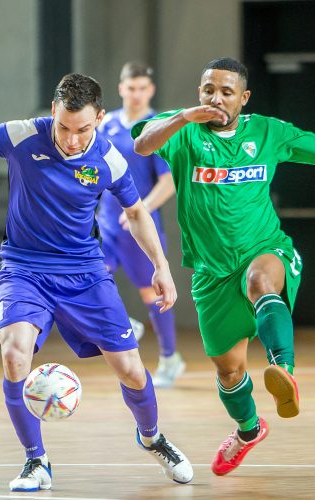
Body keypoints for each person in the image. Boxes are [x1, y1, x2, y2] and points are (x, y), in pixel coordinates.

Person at [0, 73, 194, 491]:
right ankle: (36, 461)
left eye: (83, 130)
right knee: (14, 355)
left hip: (84, 273)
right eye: (63, 127)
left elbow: (135, 213)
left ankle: (152, 437)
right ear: (53, 112)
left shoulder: (110, 158)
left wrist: (161, 266)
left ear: (99, 118)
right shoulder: (21, 135)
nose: (72, 140)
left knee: (132, 370)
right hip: (24, 268)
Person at [131, 57, 315, 475]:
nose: (215, 98)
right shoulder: (181, 129)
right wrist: (183, 117)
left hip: (265, 248)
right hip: (210, 273)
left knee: (262, 281)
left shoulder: (268, 131)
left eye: (226, 92)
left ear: (244, 97)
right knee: (229, 370)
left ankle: (282, 369)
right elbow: (142, 145)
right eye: (208, 90)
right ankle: (249, 430)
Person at [97, 62, 185, 388]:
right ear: (121, 89)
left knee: (152, 292)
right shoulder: (105, 125)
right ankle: (122, 322)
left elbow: (169, 182)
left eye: (142, 88)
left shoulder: (156, 128)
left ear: (151, 91)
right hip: (105, 223)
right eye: (130, 88)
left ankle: (169, 357)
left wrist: (141, 209)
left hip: (138, 225)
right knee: (93, 276)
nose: (136, 94)